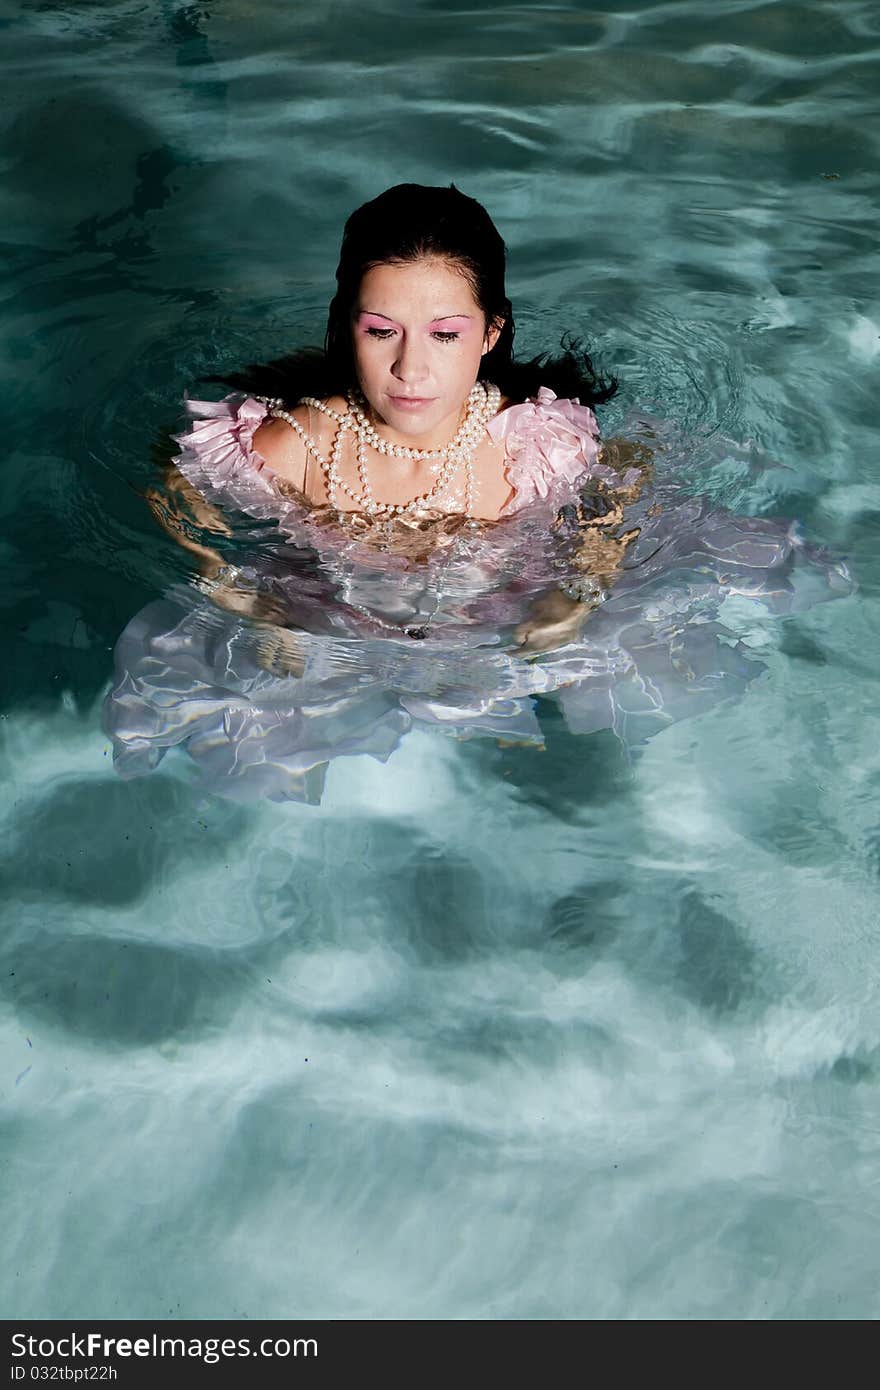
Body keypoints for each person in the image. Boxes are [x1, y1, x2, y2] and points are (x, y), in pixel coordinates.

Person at [105, 184, 851, 803]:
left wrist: (581, 588)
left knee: (639, 664)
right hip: (330, 621)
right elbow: (173, 489)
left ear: (491, 334)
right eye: (380, 331)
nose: (410, 369)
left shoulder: (530, 442)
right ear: (348, 327)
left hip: (507, 609)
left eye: (445, 335)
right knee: (262, 747)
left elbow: (618, 485)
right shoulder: (297, 445)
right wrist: (233, 589)